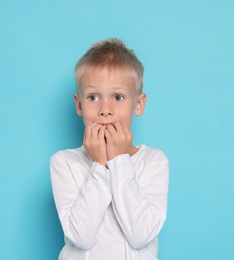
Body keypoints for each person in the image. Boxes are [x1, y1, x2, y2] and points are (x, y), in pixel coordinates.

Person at [50, 38, 169, 260]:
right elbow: (80, 237)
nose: (105, 110)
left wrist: (119, 159)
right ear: (79, 105)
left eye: (118, 97)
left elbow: (140, 236)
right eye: (93, 97)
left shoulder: (154, 161)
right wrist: (100, 164)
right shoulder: (64, 162)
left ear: (139, 104)